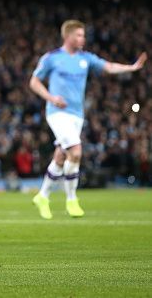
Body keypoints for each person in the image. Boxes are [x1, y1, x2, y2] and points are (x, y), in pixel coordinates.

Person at [30, 20, 147, 219]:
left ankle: (42, 195)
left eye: (83, 35)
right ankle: (71, 200)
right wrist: (51, 98)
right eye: (79, 35)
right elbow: (34, 81)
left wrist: (131, 68)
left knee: (60, 156)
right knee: (75, 151)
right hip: (57, 113)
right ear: (67, 36)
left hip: (77, 115)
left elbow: (108, 67)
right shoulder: (52, 58)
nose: (83, 38)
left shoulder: (86, 58)